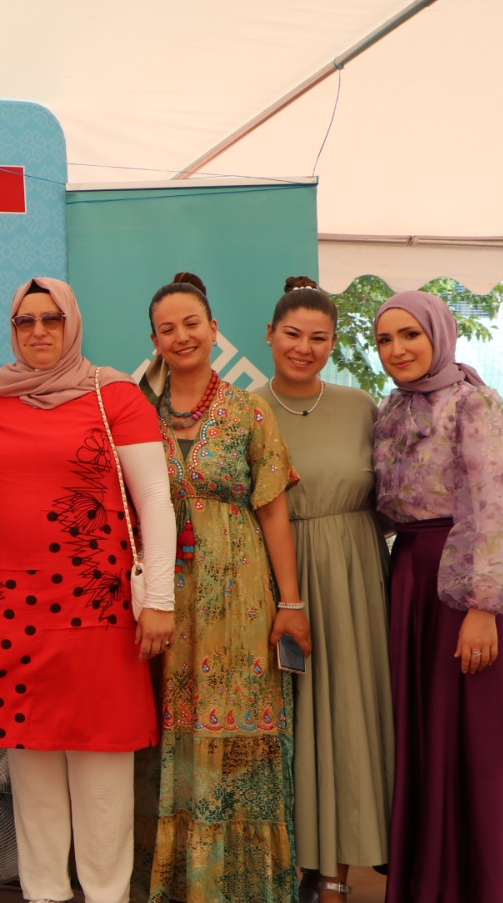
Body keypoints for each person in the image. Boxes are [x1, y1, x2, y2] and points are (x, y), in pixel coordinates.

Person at [0, 277, 175, 903]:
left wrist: (160, 601)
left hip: (98, 613)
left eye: (51, 319)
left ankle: (106, 895)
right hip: (7, 614)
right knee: (33, 774)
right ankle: (44, 893)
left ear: (73, 323)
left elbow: (154, 501)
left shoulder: (117, 396)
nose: (39, 331)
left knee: (103, 772)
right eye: (25, 321)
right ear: (12, 329)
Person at [134, 271, 311, 903]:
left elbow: (274, 513)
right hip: (162, 600)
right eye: (167, 329)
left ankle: (244, 885)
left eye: (192, 324)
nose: (181, 336)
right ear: (154, 341)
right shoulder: (137, 414)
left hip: (241, 598)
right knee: (164, 728)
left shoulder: (247, 411)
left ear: (214, 330)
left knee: (242, 730)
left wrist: (291, 604)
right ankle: (174, 882)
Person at [372, 290, 503, 903]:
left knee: (476, 736)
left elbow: (495, 511)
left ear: (439, 335)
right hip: (410, 580)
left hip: (466, 587)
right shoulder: (392, 409)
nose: (397, 350)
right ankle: (431, 878)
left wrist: (482, 609)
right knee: (425, 732)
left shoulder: (476, 403)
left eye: (410, 335)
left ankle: (487, 881)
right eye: (385, 339)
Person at [255, 277, 392, 902]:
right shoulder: (245, 408)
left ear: (334, 343)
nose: (303, 348)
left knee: (349, 716)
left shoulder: (362, 406)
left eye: (319, 338)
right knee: (293, 719)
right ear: (269, 335)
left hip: (357, 576)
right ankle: (296, 866)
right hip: (278, 581)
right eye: (292, 334)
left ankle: (341, 868)